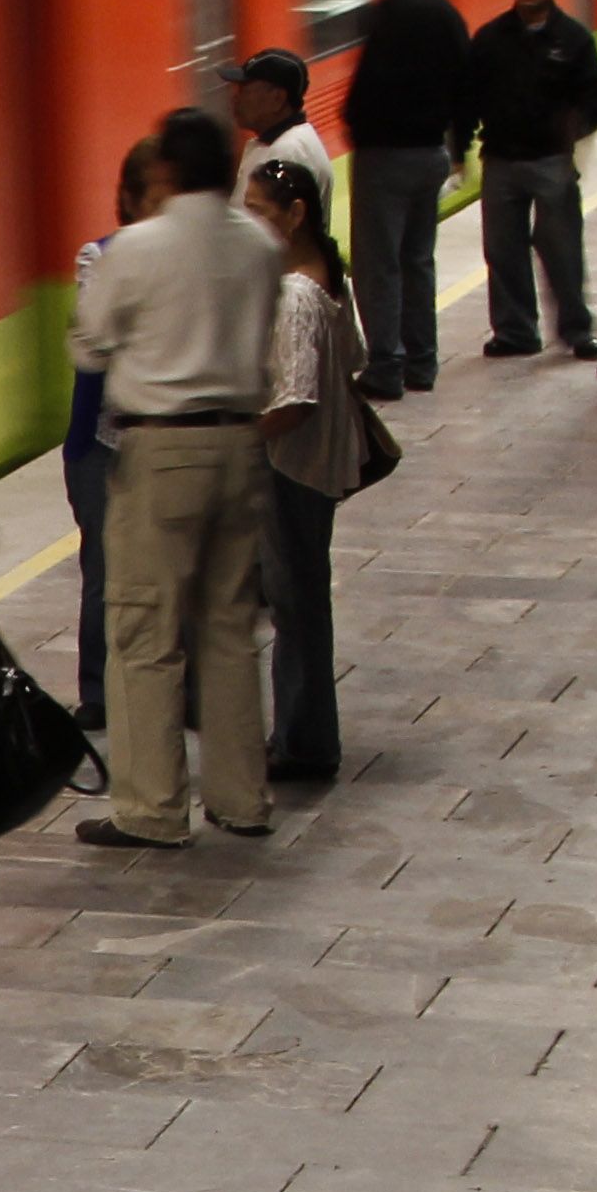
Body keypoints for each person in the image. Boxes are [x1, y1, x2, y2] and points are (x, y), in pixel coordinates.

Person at [74, 104, 289, 852]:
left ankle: (151, 807)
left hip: (160, 452)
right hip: (239, 444)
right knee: (229, 628)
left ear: (164, 170)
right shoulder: (260, 246)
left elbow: (90, 343)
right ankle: (241, 797)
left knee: (144, 631)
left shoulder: (135, 248)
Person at [247, 155, 376, 790]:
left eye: (257, 212)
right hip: (324, 462)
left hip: (289, 468)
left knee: (295, 605)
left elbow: (293, 398)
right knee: (302, 599)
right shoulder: (331, 275)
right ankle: (303, 733)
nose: (248, 223)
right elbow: (355, 354)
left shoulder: (294, 292)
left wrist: (244, 440)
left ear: (295, 215)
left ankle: (303, 742)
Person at [64, 141, 172, 723]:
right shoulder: (96, 259)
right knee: (102, 572)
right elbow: (102, 347)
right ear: (129, 200)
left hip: (160, 440)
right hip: (100, 446)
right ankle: (99, 692)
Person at [466, 0, 597, 361]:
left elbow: (595, 101)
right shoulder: (490, 38)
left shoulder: (574, 39)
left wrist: (572, 139)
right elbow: (469, 95)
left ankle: (576, 330)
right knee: (502, 249)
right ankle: (514, 331)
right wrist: (462, 144)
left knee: (562, 249)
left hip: (552, 161)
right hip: (501, 160)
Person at [341, 0, 464, 400]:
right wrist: (459, 149)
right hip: (431, 153)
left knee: (379, 264)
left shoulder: (385, 16)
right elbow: (464, 82)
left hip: (385, 156)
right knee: (418, 260)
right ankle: (423, 362)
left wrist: (356, 127)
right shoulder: (448, 15)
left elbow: (367, 88)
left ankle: (386, 366)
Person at [231, 47, 331, 221]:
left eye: (244, 90)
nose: (235, 99)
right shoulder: (277, 144)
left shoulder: (288, 153)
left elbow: (270, 233)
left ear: (277, 99)